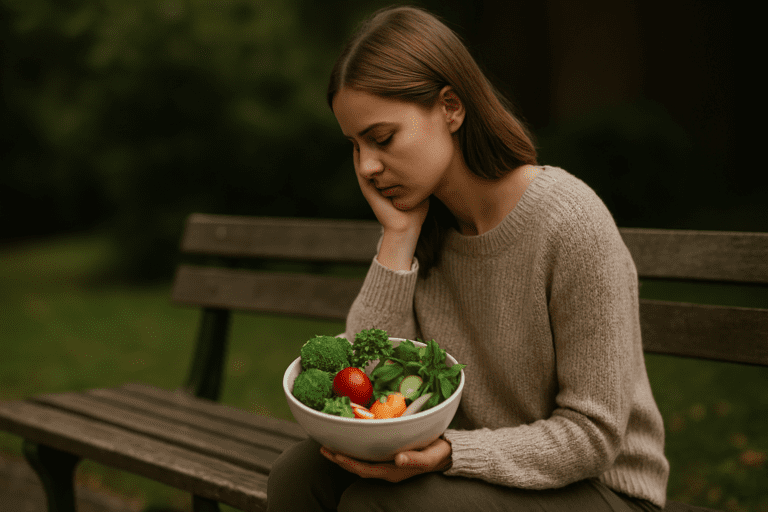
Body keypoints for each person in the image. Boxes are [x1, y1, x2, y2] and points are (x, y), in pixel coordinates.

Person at [266, 5, 669, 511]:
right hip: (478, 473)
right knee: (296, 477)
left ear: (451, 107)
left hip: (603, 491)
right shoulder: (426, 228)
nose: (367, 166)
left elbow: (593, 436)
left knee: (383, 506)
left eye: (382, 138)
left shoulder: (569, 222)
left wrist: (455, 450)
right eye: (354, 145)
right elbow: (364, 382)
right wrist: (397, 236)